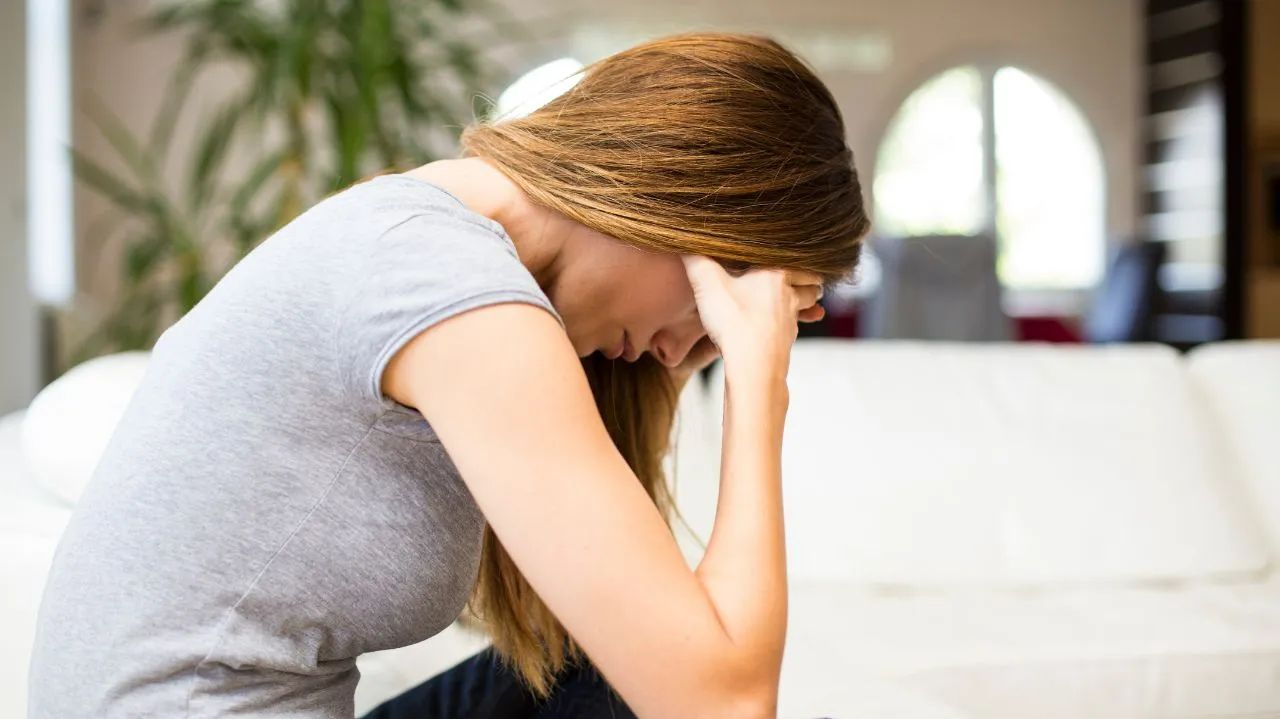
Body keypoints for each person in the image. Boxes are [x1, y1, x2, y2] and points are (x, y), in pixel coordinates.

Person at [27, 32, 868, 718]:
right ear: (691, 213)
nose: (686, 349)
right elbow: (721, 705)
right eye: (722, 303)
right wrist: (762, 380)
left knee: (603, 670)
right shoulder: (453, 290)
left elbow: (671, 640)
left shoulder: (422, 229)